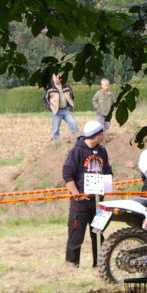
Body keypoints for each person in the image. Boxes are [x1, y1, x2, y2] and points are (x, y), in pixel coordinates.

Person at [62, 119, 112, 268]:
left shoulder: (102, 151)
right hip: (80, 203)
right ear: (95, 135)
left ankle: (100, 265)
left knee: (98, 234)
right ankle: (72, 265)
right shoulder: (76, 151)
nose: (103, 135)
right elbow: (67, 174)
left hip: (97, 202)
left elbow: (107, 170)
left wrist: (105, 190)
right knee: (76, 234)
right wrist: (76, 194)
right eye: (101, 133)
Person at [45, 73, 78, 143]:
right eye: (54, 78)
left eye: (56, 77)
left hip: (66, 110)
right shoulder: (50, 89)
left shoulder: (67, 87)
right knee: (55, 129)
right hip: (56, 112)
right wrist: (51, 108)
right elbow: (45, 99)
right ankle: (55, 142)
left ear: (60, 79)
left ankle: (78, 140)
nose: (55, 79)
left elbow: (72, 96)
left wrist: (70, 106)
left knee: (73, 124)